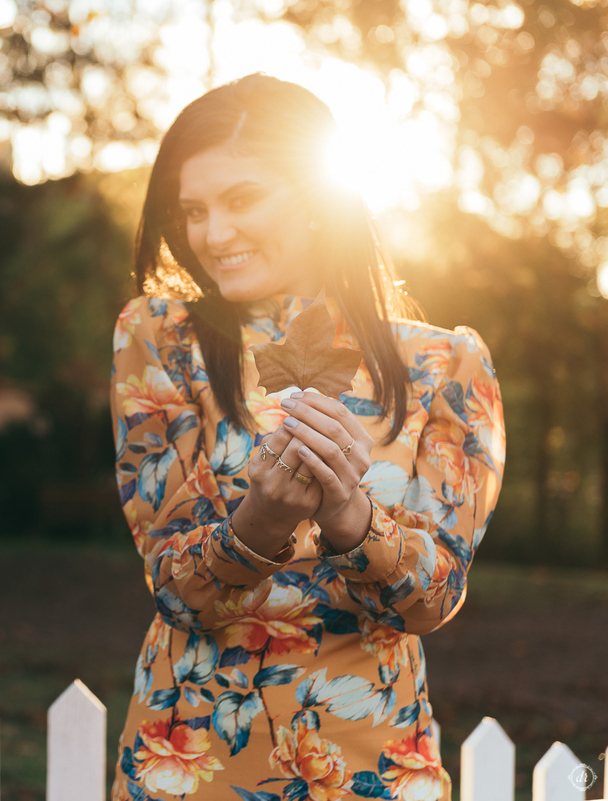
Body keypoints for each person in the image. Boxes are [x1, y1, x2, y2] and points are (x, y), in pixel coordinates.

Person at [110, 73, 505, 801]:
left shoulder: (441, 364)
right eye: (193, 209)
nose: (212, 234)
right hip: (193, 758)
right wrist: (257, 523)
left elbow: (434, 597)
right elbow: (174, 590)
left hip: (371, 766)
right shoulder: (161, 340)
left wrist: (352, 518)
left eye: (242, 199)